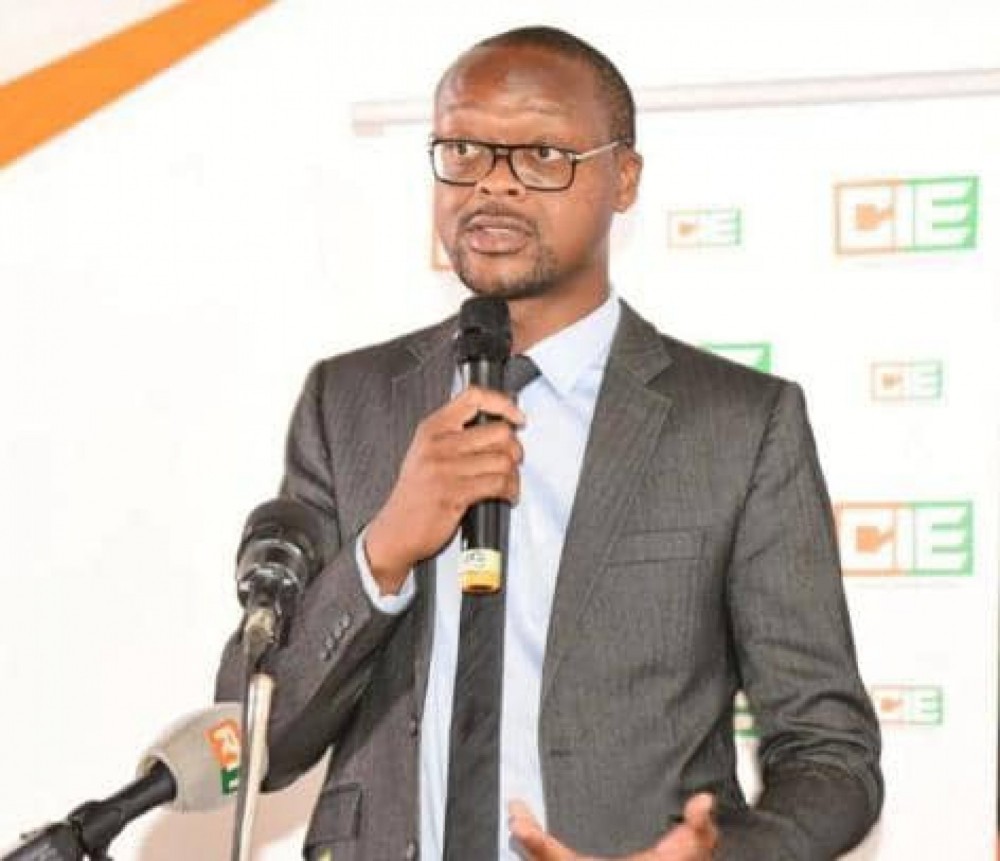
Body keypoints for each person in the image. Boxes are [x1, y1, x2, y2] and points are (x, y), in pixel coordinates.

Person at [217, 25, 883, 861]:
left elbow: (831, 756)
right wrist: (383, 550)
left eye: (540, 155)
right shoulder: (348, 401)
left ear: (624, 178)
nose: (492, 184)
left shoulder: (739, 425)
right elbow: (250, 743)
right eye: (463, 150)